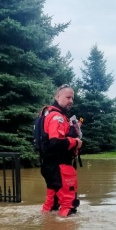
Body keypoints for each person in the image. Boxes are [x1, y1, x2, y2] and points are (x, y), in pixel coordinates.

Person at [40, 84, 82, 217]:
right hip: (60, 168)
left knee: (51, 204)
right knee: (69, 205)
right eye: (68, 97)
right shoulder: (56, 117)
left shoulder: (53, 115)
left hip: (50, 166)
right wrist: (76, 142)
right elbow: (55, 142)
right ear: (57, 97)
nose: (71, 101)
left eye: (73, 98)